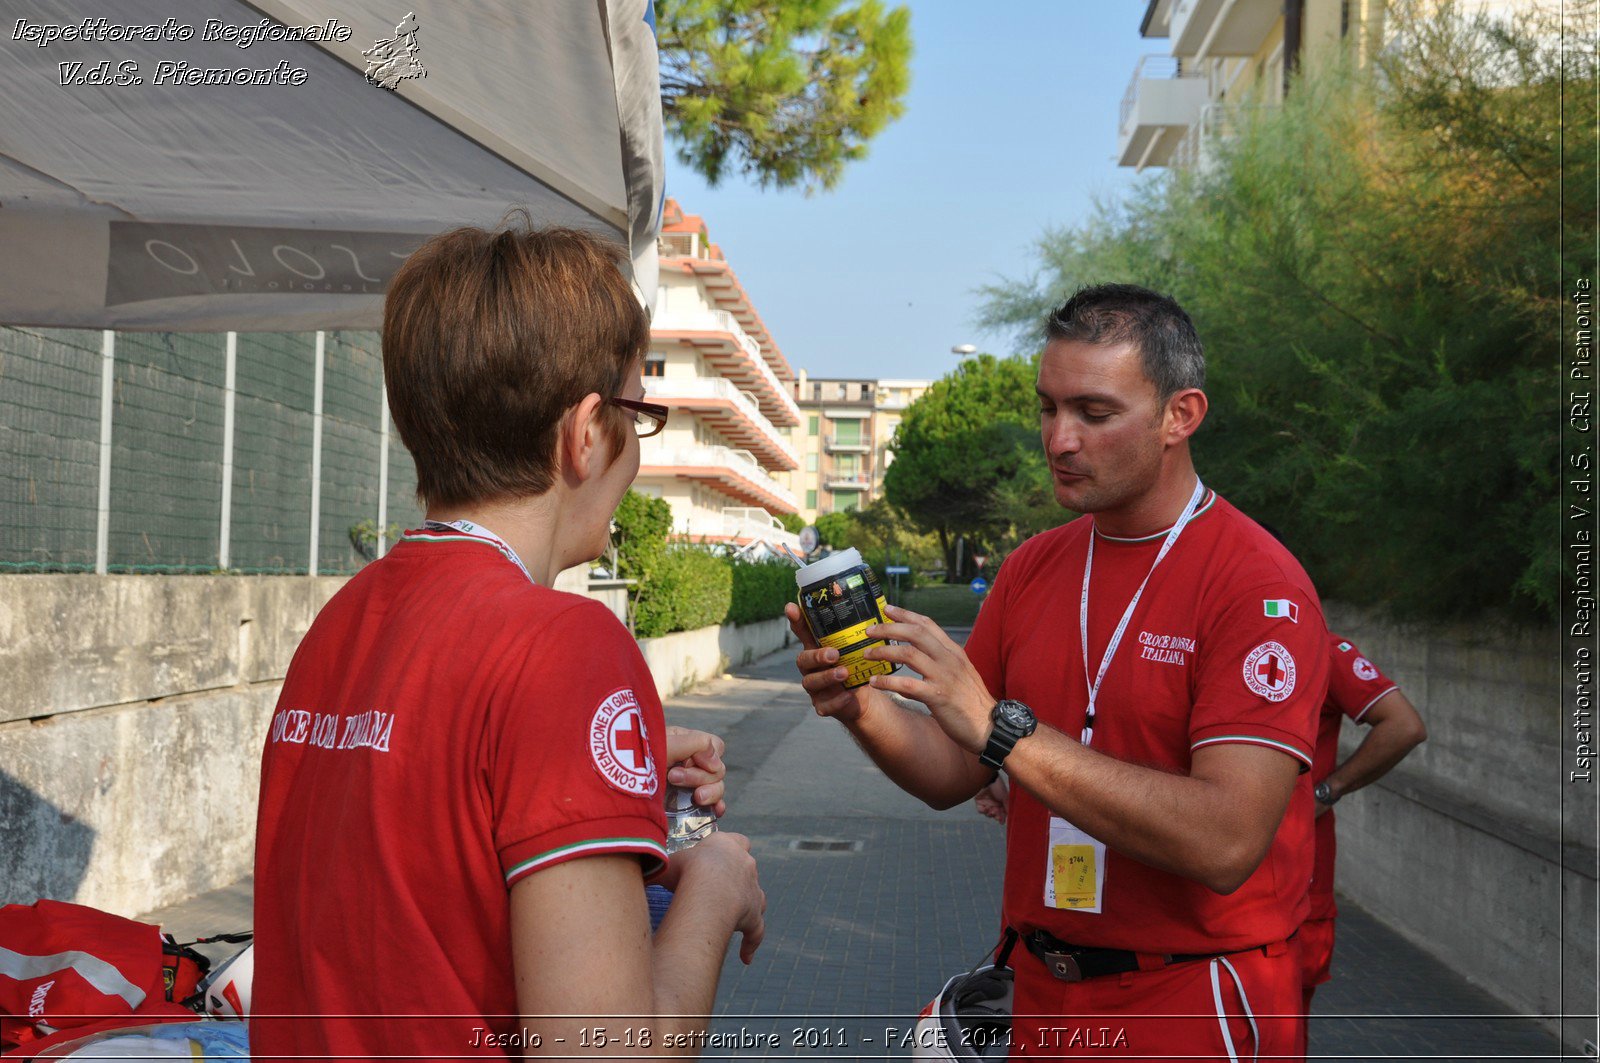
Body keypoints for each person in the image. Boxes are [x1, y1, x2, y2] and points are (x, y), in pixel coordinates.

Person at [252, 222, 765, 1059]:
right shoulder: (567, 645)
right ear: (588, 431)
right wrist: (716, 886)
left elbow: (416, 845)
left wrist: (575, 773)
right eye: (642, 413)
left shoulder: (343, 623)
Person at [788, 283, 1329, 1060]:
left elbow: (1227, 839)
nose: (1059, 439)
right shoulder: (1035, 566)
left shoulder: (1256, 584)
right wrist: (859, 706)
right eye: (1048, 408)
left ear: (1182, 416)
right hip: (1042, 992)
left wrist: (1004, 731)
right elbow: (952, 772)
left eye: (1094, 413)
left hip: (1195, 1000)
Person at [1300, 635, 1426, 1034]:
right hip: (1220, 872)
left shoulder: (1322, 648)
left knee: (1281, 1029)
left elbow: (1404, 725)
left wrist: (1328, 789)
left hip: (1301, 881)